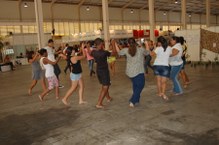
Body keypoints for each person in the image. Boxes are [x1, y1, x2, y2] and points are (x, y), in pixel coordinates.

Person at [115, 38, 149, 108]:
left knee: (135, 85)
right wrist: (146, 44)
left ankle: (136, 100)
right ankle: (132, 101)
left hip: (130, 72)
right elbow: (148, 52)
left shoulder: (126, 50)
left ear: (128, 44)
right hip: (138, 71)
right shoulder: (140, 49)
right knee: (140, 85)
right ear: (135, 43)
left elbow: (119, 52)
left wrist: (115, 44)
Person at [90, 38, 112, 109]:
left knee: (105, 84)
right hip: (104, 71)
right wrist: (114, 44)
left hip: (98, 70)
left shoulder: (93, 52)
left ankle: (108, 97)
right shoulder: (104, 52)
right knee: (105, 86)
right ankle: (99, 103)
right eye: (102, 44)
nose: (103, 45)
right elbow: (114, 54)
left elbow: (90, 52)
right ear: (100, 44)